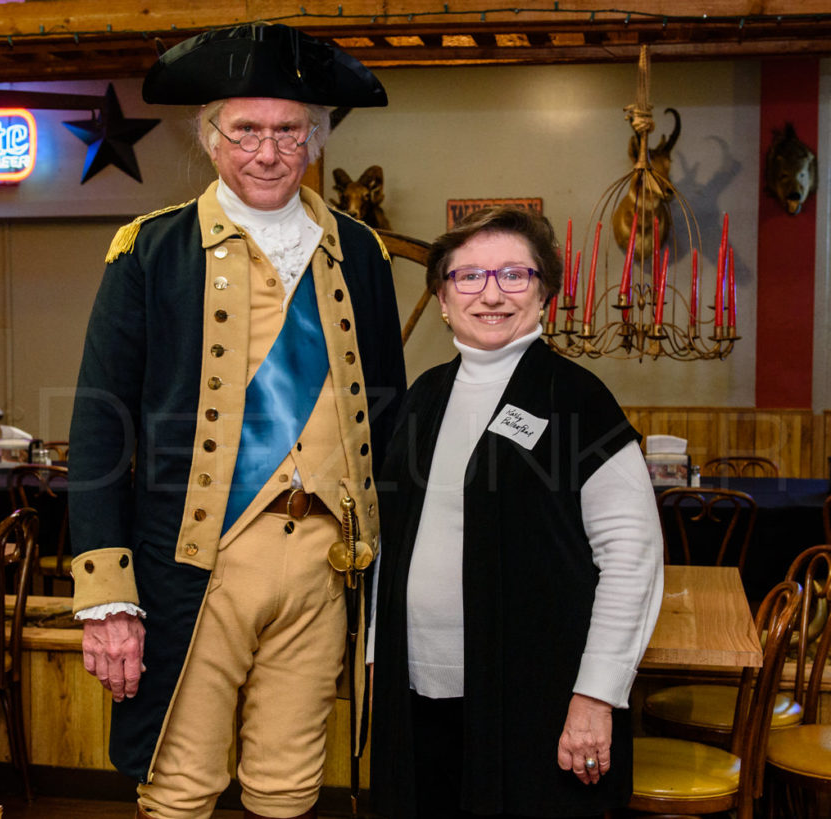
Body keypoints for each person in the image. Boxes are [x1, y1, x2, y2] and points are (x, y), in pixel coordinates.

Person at [66, 22, 406, 819]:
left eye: (289, 131)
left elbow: (388, 423)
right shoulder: (149, 250)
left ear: (315, 138)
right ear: (210, 137)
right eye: (245, 129)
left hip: (327, 565)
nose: (267, 151)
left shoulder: (360, 253)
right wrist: (108, 595)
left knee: (290, 788)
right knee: (180, 787)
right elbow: (99, 429)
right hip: (195, 563)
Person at [369, 206, 664, 818]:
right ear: (444, 298)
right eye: (468, 277)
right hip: (418, 694)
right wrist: (377, 657)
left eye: (514, 275)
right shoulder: (423, 397)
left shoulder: (576, 399)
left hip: (539, 698)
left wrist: (595, 696)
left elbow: (632, 560)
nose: (491, 294)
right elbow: (390, 540)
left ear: (545, 292)